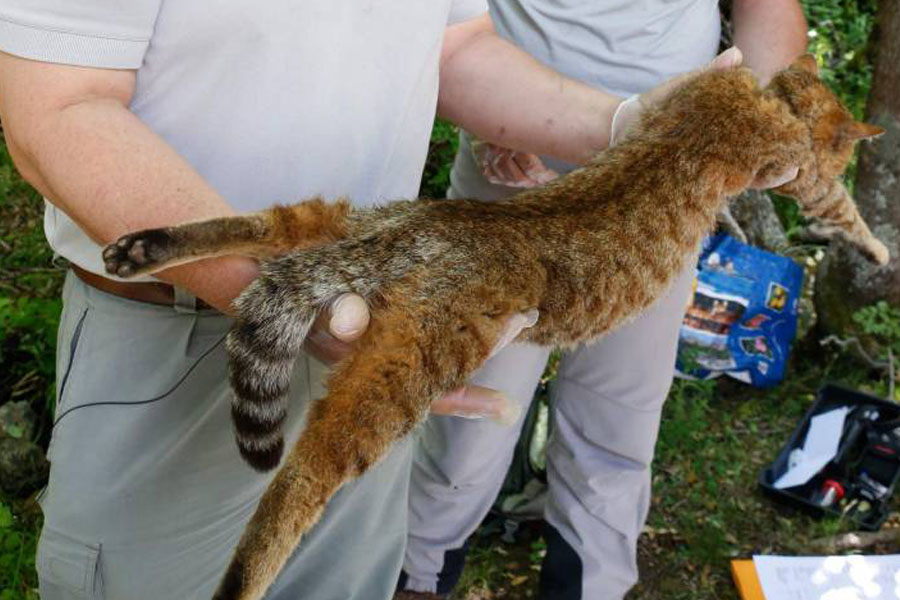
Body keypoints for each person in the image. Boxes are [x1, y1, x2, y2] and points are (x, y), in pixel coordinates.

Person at [0, 2, 754, 599]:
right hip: (176, 342)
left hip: (373, 316)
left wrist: (628, 127)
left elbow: (456, 48)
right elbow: (57, 111)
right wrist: (279, 296)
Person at [397, 1, 807, 599]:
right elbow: (449, 28)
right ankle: (418, 575)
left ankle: (588, 587)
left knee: (616, 423)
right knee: (470, 416)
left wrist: (766, 114)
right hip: (513, 172)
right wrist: (486, 119)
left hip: (665, 190)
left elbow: (769, 11)